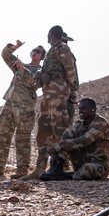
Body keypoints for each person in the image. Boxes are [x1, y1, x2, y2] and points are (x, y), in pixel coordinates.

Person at [0, 41, 44, 179]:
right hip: (10, 103)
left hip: (26, 107)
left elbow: (34, 82)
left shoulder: (41, 71)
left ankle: (22, 170)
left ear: (42, 57)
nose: (35, 52)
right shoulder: (20, 65)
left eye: (39, 51)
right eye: (34, 50)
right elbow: (5, 55)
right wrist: (13, 48)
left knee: (22, 138)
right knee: (1, 134)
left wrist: (23, 70)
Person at [25, 25, 79, 179]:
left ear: (50, 34)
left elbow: (71, 72)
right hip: (47, 95)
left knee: (59, 130)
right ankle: (40, 168)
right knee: (43, 131)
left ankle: (59, 167)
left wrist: (70, 91)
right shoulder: (51, 51)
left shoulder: (62, 48)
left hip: (59, 95)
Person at [39, 98, 109, 181]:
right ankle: (57, 169)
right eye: (79, 108)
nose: (80, 111)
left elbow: (85, 140)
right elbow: (70, 141)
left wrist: (58, 147)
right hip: (81, 162)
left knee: (87, 169)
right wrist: (56, 152)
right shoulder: (79, 125)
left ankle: (67, 175)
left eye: (84, 108)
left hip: (98, 164)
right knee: (68, 133)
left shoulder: (101, 123)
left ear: (93, 110)